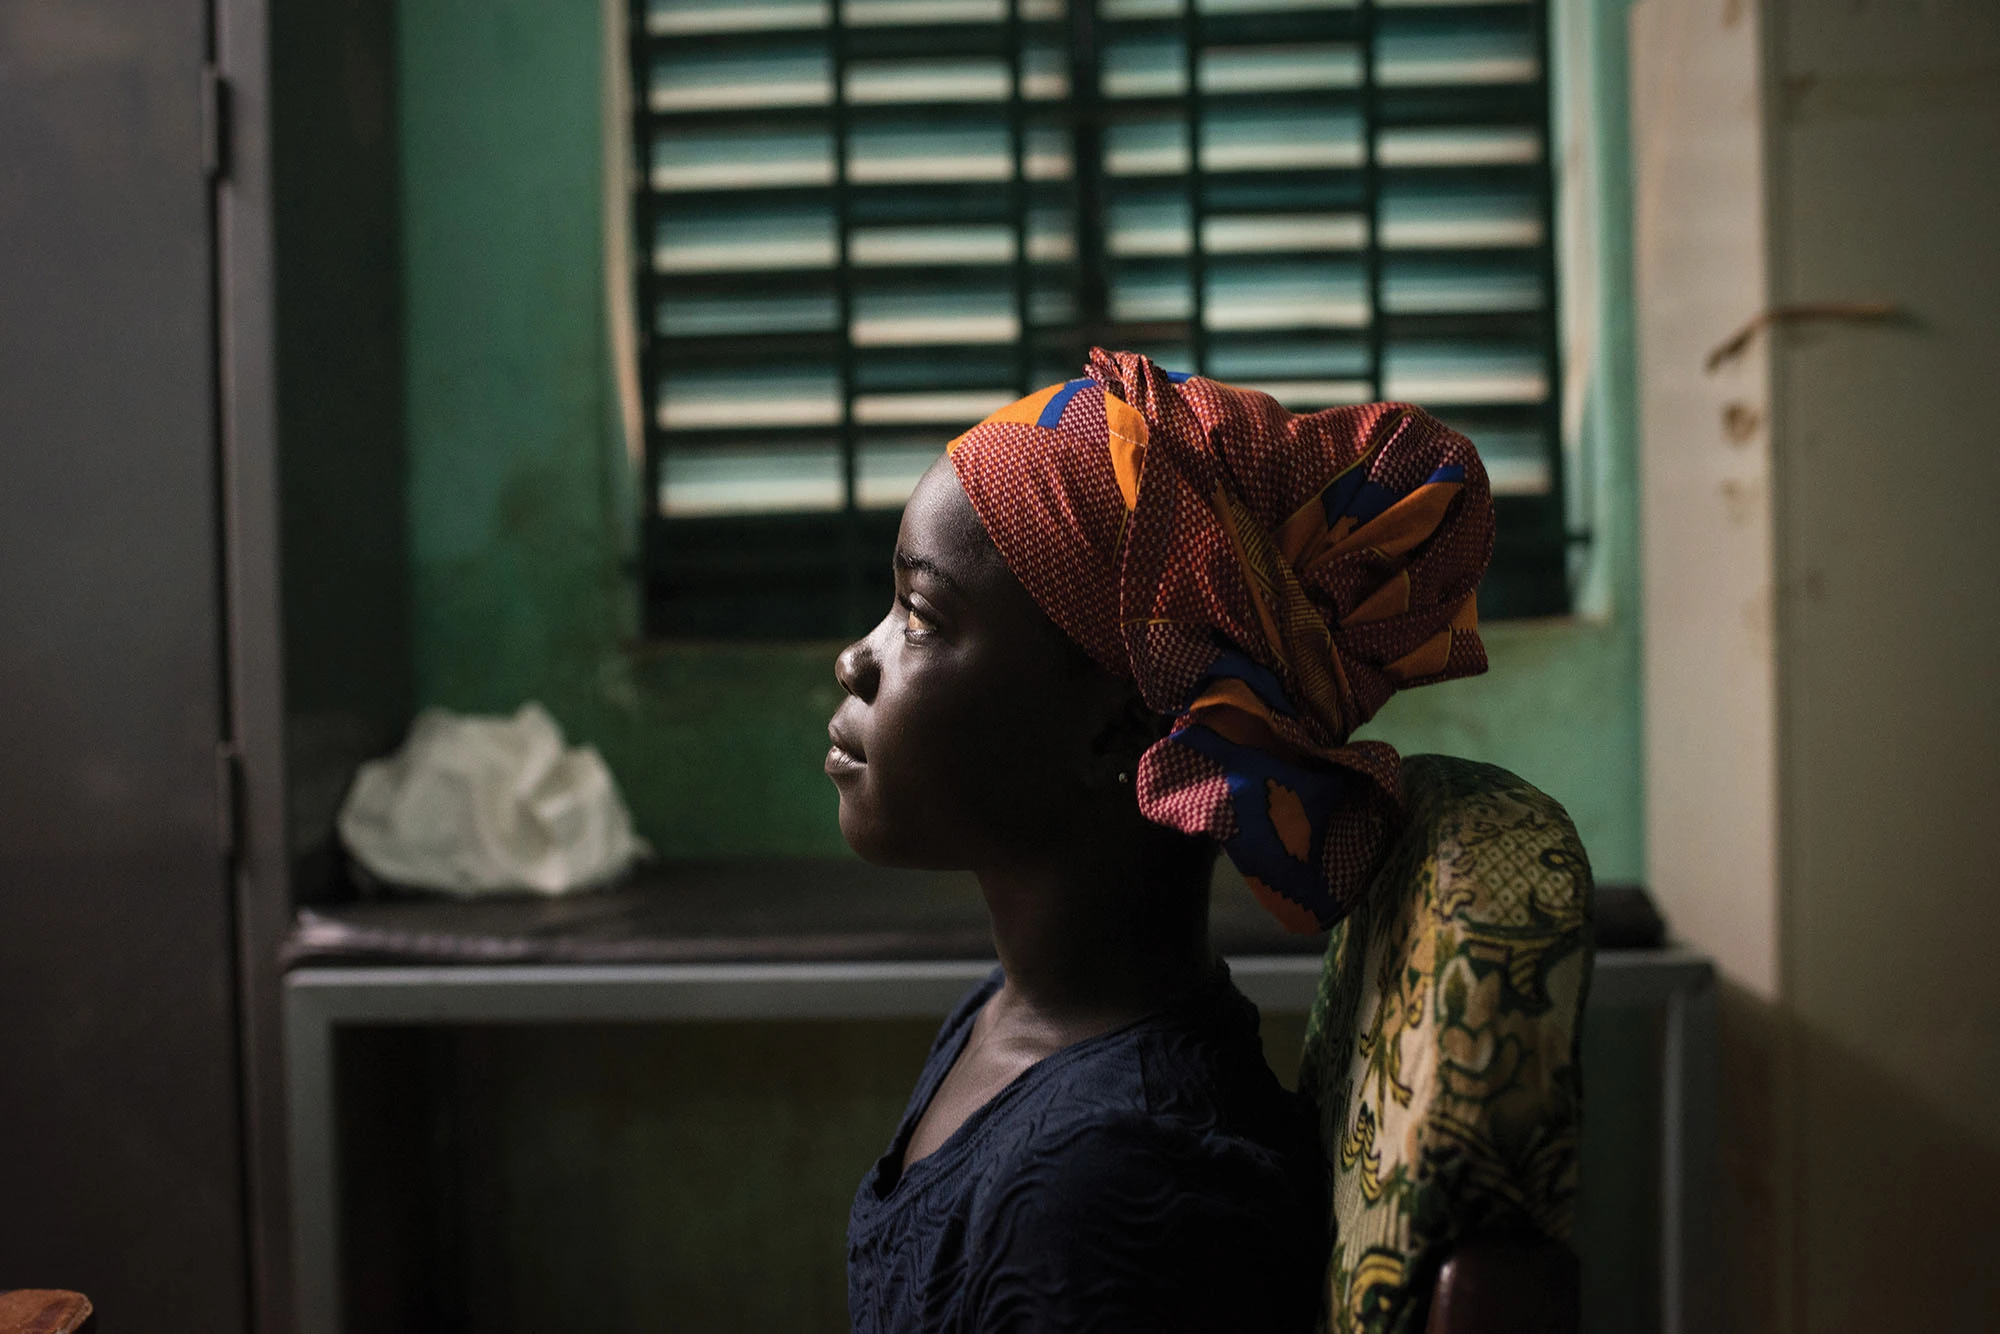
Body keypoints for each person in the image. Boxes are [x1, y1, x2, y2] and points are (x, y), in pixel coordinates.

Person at [829, 349, 1494, 1333]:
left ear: (1113, 727)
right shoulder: (1005, 1020)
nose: (855, 656)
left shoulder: (1109, 1181)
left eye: (919, 613)